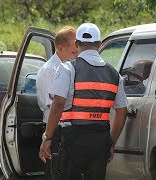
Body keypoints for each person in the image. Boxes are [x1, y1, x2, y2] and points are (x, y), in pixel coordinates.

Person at [39, 22, 128, 180]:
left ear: (76, 43)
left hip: (72, 139)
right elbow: (122, 111)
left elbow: (58, 103)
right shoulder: (115, 75)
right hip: (100, 140)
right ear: (99, 45)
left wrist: (48, 137)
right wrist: (111, 143)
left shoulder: (68, 68)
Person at [36, 25, 78, 180]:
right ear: (60, 48)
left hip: (67, 129)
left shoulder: (70, 68)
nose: (76, 56)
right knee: (56, 172)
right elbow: (53, 105)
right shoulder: (50, 70)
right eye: (74, 52)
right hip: (55, 129)